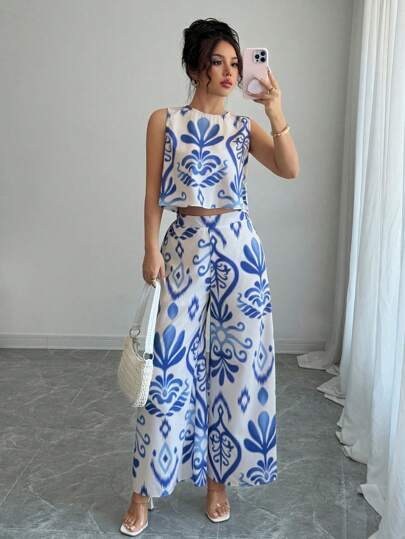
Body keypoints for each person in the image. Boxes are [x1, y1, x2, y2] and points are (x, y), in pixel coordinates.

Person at [120, 17, 299, 537]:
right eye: (217, 61)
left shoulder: (243, 128)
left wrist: (274, 109)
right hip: (183, 246)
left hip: (239, 249)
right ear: (195, 67)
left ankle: (219, 482)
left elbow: (289, 168)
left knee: (236, 369)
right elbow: (152, 192)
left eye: (235, 63)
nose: (228, 72)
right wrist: (150, 248)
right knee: (168, 370)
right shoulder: (164, 120)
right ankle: (144, 491)